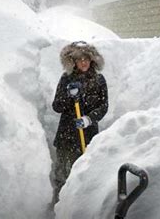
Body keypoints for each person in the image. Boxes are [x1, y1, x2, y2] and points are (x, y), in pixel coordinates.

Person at [51, 41, 108, 202]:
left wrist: (89, 119)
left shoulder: (99, 79)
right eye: (79, 59)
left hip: (88, 135)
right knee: (62, 174)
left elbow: (104, 106)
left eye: (87, 58)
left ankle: (79, 205)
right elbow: (57, 106)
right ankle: (58, 204)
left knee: (83, 173)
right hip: (66, 136)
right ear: (73, 61)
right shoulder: (66, 79)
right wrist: (70, 97)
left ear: (92, 60)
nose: (83, 62)